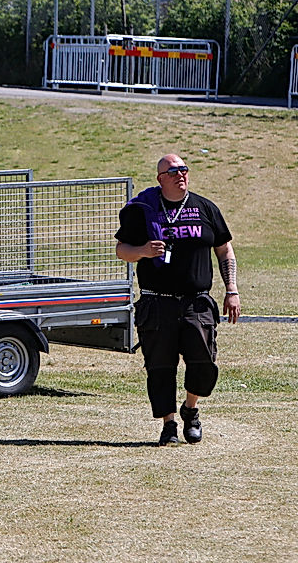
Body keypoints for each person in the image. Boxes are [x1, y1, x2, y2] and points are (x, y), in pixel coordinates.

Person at [115, 154, 240, 446]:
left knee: (204, 361)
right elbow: (122, 250)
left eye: (183, 169)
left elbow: (224, 250)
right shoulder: (143, 209)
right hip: (157, 303)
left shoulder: (204, 208)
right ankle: (169, 425)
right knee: (160, 366)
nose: (179, 175)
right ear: (160, 179)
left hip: (196, 302)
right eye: (172, 171)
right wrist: (144, 251)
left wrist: (231, 289)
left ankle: (191, 409)